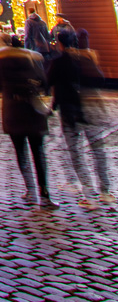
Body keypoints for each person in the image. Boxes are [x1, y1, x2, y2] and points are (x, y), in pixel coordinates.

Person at [47, 29, 113, 208]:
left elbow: (48, 82)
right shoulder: (85, 58)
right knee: (98, 151)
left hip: (70, 112)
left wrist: (53, 104)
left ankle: (89, 195)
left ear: (59, 43)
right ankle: (105, 191)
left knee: (76, 153)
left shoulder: (59, 62)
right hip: (90, 111)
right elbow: (100, 79)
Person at [0, 31, 56, 208]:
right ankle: (44, 192)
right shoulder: (31, 59)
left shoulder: (2, 62)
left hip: (13, 111)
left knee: (21, 153)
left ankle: (30, 190)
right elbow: (44, 83)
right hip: (33, 110)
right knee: (38, 152)